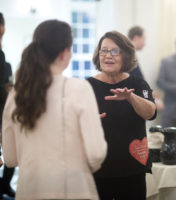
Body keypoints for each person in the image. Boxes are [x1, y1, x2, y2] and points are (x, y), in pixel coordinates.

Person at [2, 19, 107, 200]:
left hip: (29, 190)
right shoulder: (79, 89)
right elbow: (95, 154)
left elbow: (10, 158)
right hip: (72, 190)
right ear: (64, 53)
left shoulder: (16, 94)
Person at [88, 31, 156, 200]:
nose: (107, 56)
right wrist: (86, 122)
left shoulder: (138, 84)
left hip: (132, 170)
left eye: (114, 51)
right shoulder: (87, 86)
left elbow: (151, 113)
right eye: (104, 50)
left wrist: (130, 97)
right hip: (98, 170)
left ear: (125, 55)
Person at [128, 25, 164, 111]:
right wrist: (148, 96)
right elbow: (133, 83)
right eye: (144, 39)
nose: (145, 43)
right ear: (136, 38)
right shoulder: (128, 56)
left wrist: (149, 93)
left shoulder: (132, 54)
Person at [0, 12, 15, 199]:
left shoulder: (3, 58)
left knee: (11, 153)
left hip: (4, 113)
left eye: (2, 35)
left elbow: (7, 88)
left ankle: (4, 186)